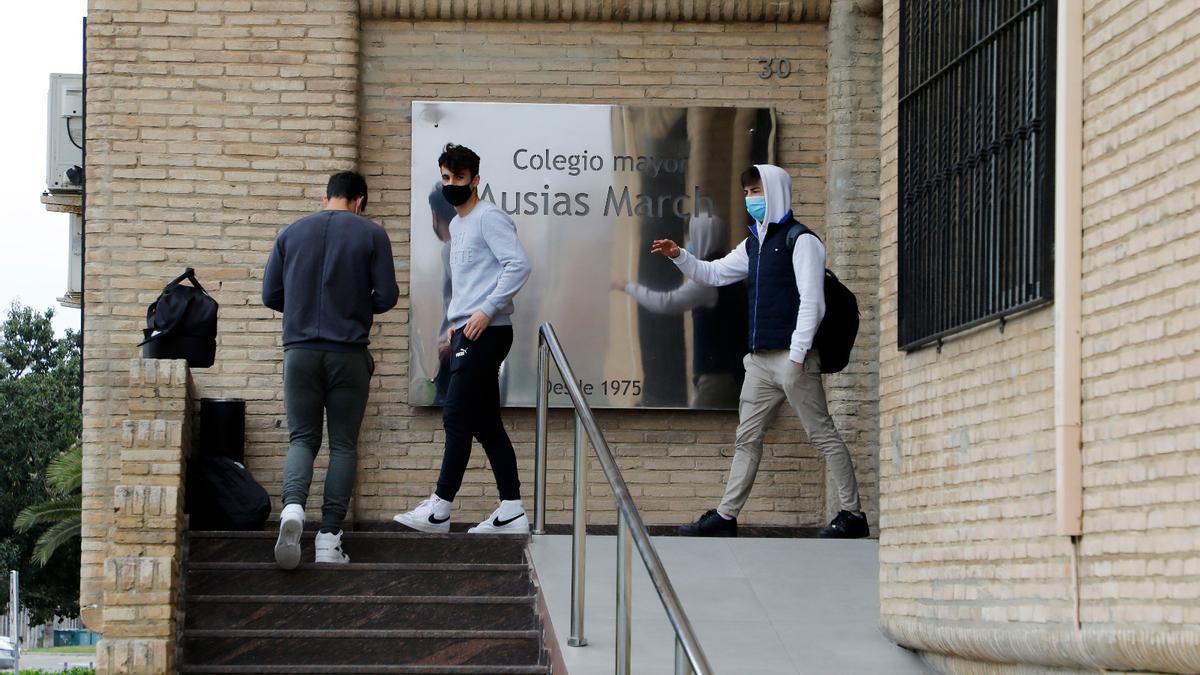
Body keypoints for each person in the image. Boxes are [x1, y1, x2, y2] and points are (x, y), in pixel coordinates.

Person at [652, 164, 868, 539]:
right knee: (746, 438)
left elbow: (813, 303)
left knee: (822, 435)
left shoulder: (802, 241)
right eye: (748, 192)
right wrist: (679, 256)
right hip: (759, 361)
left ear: (777, 191)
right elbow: (715, 273)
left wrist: (799, 355)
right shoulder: (755, 243)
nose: (752, 198)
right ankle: (725, 516)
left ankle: (852, 514)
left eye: (758, 191)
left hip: (793, 358)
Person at [394, 143, 532, 535]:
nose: (451, 184)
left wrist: (486, 310)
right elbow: (468, 280)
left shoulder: (490, 217)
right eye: (446, 178)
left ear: (475, 179)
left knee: (455, 414)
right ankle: (512, 509)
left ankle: (440, 508)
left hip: (489, 332)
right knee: (486, 423)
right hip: (467, 331)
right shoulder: (456, 225)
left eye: (458, 178)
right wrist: (457, 318)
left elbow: (519, 265)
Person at [263, 170, 399, 569]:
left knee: (302, 439)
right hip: (348, 355)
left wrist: (304, 307)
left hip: (300, 353)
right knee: (342, 444)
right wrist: (354, 304)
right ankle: (328, 538)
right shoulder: (371, 234)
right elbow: (387, 295)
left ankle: (291, 510)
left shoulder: (291, 233)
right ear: (359, 201)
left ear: (327, 198)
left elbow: (271, 294)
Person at [611, 208, 745, 408]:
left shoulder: (707, 278)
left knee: (702, 430)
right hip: (733, 372)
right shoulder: (729, 271)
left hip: (717, 376)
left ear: (700, 236)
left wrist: (627, 287)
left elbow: (666, 303)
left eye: (690, 236)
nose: (688, 243)